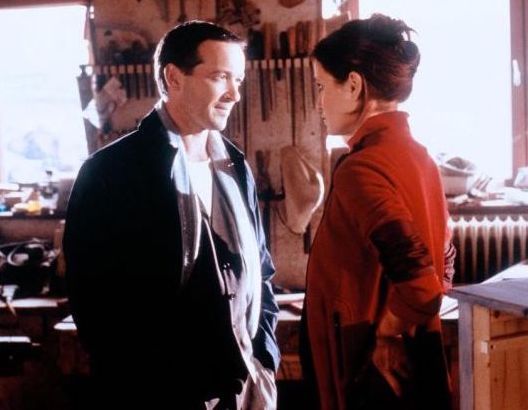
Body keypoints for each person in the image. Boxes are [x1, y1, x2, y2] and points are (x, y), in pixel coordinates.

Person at [63, 21, 279, 409]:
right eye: (219, 77)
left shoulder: (234, 167)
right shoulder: (111, 172)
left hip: (245, 389)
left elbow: (261, 273)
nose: (234, 94)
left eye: (238, 80)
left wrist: (265, 359)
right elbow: (95, 306)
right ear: (173, 78)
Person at [300, 14, 456, 410]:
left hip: (369, 367)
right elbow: (445, 259)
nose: (319, 103)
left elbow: (420, 281)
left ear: (354, 85)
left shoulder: (363, 168)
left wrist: (388, 334)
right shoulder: (419, 156)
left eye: (322, 87)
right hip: (410, 360)